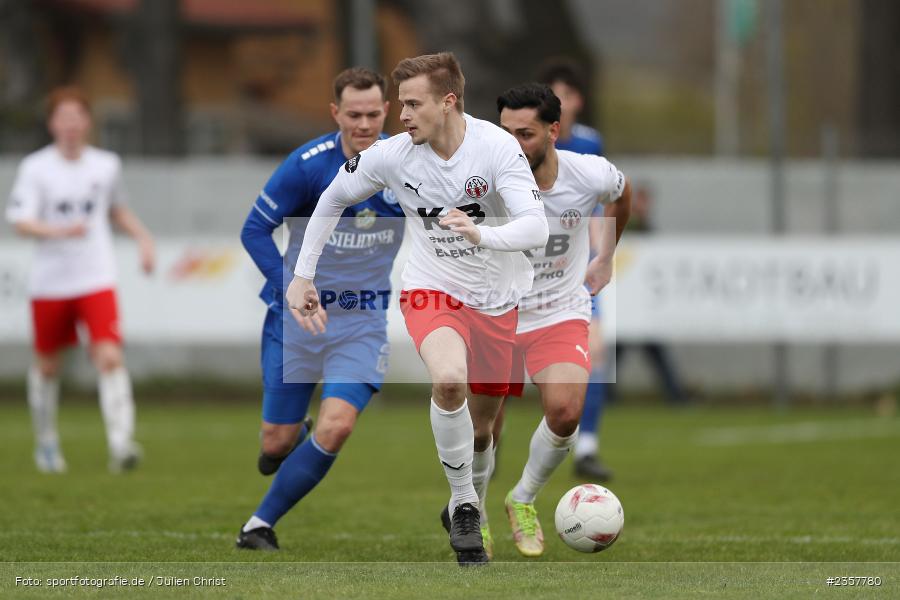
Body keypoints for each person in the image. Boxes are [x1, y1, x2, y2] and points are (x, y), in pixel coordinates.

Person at [285, 52, 549, 565]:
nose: (401, 115)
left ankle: (468, 501)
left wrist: (482, 234)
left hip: (498, 298)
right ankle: (466, 505)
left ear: (448, 102)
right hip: (432, 288)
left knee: (483, 430)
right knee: (448, 381)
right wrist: (303, 274)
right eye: (400, 104)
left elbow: (536, 226)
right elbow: (332, 198)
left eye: (412, 104)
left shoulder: (497, 148)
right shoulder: (393, 155)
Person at [235, 67, 404, 552]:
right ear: (335, 113)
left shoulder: (405, 164)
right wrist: (290, 287)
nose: (364, 124)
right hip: (296, 320)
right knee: (274, 444)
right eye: (354, 115)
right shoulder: (307, 165)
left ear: (386, 111)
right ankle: (290, 436)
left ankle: (258, 525)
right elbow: (254, 230)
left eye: (373, 114)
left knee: (338, 425)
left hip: (362, 320)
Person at [488, 82, 630, 558]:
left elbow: (622, 192)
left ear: (554, 130)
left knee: (566, 413)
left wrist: (605, 256)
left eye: (525, 134)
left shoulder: (586, 173)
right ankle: (468, 506)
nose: (513, 145)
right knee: (484, 430)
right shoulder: (484, 180)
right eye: (505, 133)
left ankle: (522, 498)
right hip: (497, 312)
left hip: (559, 310)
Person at [6, 85, 155, 474]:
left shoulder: (106, 164)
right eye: (63, 117)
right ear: (52, 123)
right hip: (50, 281)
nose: (71, 124)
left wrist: (143, 238)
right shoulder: (35, 168)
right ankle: (46, 443)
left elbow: (116, 210)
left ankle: (121, 444)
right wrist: (58, 231)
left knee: (109, 356)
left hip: (95, 276)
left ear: (88, 122)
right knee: (48, 366)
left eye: (77, 117)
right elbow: (20, 221)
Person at [538, 58, 612, 479]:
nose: (560, 103)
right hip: (528, 265)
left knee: (595, 350)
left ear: (578, 101)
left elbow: (601, 198)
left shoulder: (589, 142)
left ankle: (586, 448)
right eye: (553, 95)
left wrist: (602, 253)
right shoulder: (523, 143)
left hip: (573, 268)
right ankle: (488, 439)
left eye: (566, 95)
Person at [609, 183, 690, 406]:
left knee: (654, 353)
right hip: (626, 304)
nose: (641, 206)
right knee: (620, 353)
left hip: (642, 306)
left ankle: (675, 395)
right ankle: (675, 395)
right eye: (639, 201)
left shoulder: (648, 230)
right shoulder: (627, 227)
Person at [537, 58, 604, 156]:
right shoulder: (531, 142)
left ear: (580, 101)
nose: (560, 105)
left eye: (567, 95)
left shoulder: (591, 142)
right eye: (552, 95)